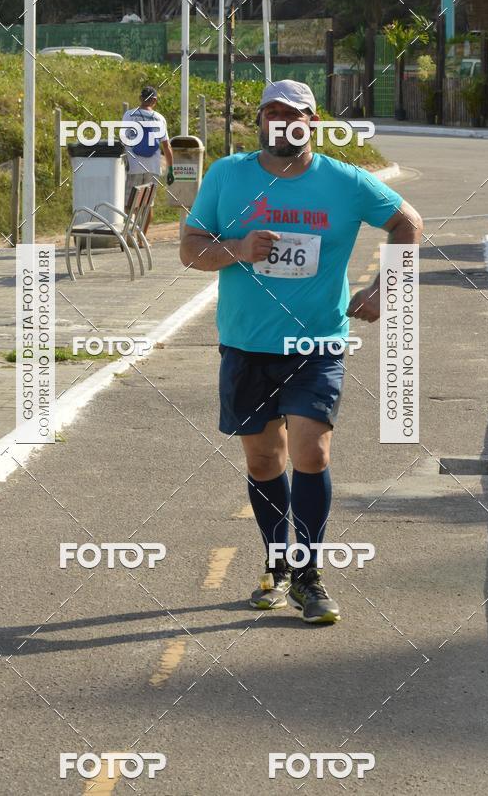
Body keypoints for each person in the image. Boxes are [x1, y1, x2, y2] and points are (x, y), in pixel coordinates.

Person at [180, 80, 423, 624]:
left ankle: (309, 575)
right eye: (271, 113)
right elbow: (190, 250)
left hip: (317, 342)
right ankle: (277, 563)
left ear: (312, 122)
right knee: (265, 460)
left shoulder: (343, 181)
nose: (282, 123)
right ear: (260, 120)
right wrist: (238, 249)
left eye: (294, 115)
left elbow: (407, 221)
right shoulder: (227, 175)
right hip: (247, 343)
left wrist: (391, 287)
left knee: (311, 453)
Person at [122, 86, 174, 234]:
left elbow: (124, 139)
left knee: (129, 204)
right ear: (154, 100)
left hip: (133, 167)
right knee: (147, 205)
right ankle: (141, 239)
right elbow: (166, 147)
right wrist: (171, 170)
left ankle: (127, 235)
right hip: (153, 167)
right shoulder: (160, 118)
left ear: (140, 98)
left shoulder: (129, 114)